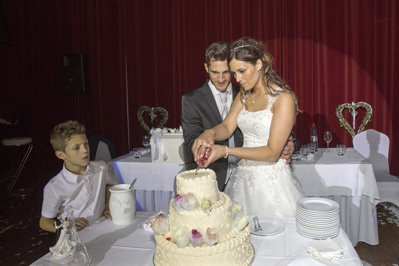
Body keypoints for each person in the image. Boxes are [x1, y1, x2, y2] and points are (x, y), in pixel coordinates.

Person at [192, 37, 303, 217]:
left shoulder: (283, 98)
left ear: (259, 64)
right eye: (235, 73)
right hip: (242, 179)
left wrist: (226, 151)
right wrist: (209, 132)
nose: (238, 79)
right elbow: (227, 127)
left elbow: (273, 152)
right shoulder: (244, 94)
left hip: (271, 182)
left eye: (242, 71)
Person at [39, 120, 119, 233]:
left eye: (86, 144)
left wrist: (107, 205)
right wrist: (67, 226)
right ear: (61, 155)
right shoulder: (54, 187)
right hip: (76, 238)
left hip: (103, 229)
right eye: (76, 148)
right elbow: (44, 222)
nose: (85, 150)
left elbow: (111, 184)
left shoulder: (101, 168)